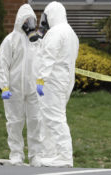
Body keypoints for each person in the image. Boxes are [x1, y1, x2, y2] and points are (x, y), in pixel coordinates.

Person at [0, 4, 42, 166]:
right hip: (14, 90)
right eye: (26, 19)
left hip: (33, 89)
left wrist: (41, 83)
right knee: (14, 122)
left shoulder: (36, 41)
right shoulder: (10, 40)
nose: (29, 22)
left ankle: (35, 155)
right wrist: (5, 86)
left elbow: (42, 63)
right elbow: (3, 65)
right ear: (19, 20)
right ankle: (16, 154)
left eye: (32, 20)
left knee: (35, 121)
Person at [36, 1, 79, 167]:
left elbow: (47, 57)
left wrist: (41, 79)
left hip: (52, 81)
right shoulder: (70, 32)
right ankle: (51, 153)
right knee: (51, 117)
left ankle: (64, 156)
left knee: (55, 118)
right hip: (65, 80)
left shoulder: (56, 32)